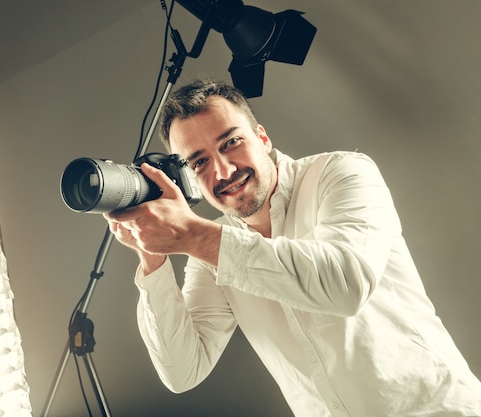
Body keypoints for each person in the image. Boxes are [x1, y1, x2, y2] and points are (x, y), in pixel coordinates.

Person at [103, 79, 481, 416]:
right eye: (199, 162)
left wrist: (192, 236)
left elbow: (344, 285)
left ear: (263, 138)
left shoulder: (341, 173)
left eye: (231, 142)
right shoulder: (210, 249)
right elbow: (183, 371)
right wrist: (151, 258)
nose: (222, 172)